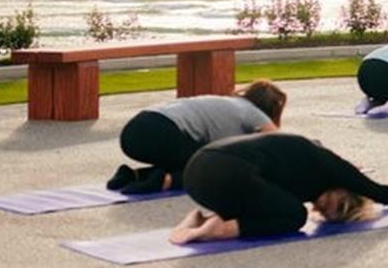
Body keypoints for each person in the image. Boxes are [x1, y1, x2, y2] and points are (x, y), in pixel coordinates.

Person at [169, 132, 388, 243]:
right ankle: (215, 230)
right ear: (346, 189)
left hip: (199, 176)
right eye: (342, 206)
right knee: (294, 216)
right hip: (221, 172)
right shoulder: (332, 167)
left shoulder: (303, 171)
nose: (329, 212)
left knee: (272, 205)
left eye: (336, 217)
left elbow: (381, 200)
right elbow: (378, 191)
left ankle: (203, 219)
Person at [106, 81, 288, 195]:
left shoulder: (227, 103)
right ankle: (164, 181)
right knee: (212, 171)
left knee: (192, 157)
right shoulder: (254, 113)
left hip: (134, 130)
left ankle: (132, 175)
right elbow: (280, 145)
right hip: (162, 131)